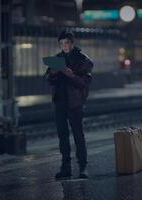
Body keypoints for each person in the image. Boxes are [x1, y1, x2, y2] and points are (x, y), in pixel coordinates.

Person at [45, 30, 93, 179]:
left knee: (78, 135)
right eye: (61, 44)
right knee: (62, 136)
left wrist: (71, 75)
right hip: (60, 102)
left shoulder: (83, 60)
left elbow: (84, 83)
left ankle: (83, 167)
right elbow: (47, 79)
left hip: (75, 103)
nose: (64, 46)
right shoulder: (57, 59)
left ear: (72, 43)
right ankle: (65, 167)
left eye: (66, 43)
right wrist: (53, 74)